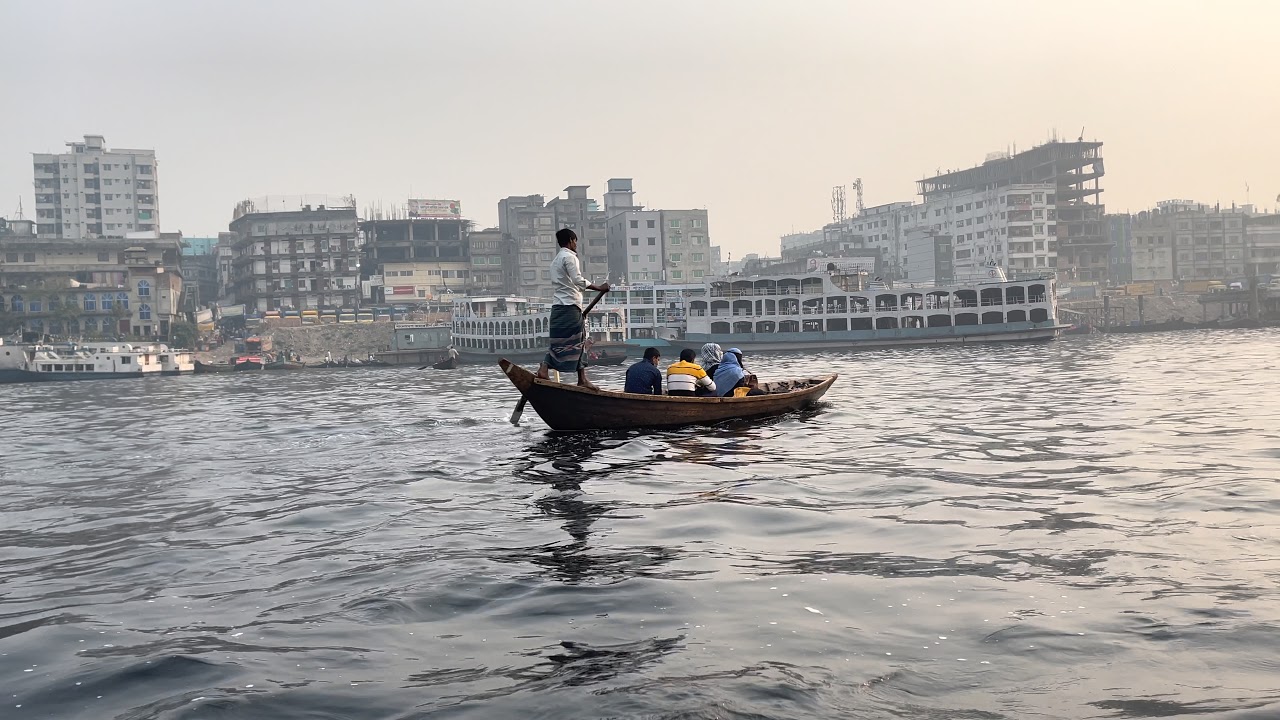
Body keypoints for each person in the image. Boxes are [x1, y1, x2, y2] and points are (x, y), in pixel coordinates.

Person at [536, 228, 610, 389]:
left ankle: (544, 368)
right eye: (575, 241)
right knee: (579, 341)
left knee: (558, 342)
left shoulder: (556, 260)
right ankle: (582, 378)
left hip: (558, 307)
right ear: (570, 240)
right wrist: (599, 287)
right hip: (570, 307)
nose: (576, 244)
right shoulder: (569, 257)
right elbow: (578, 280)